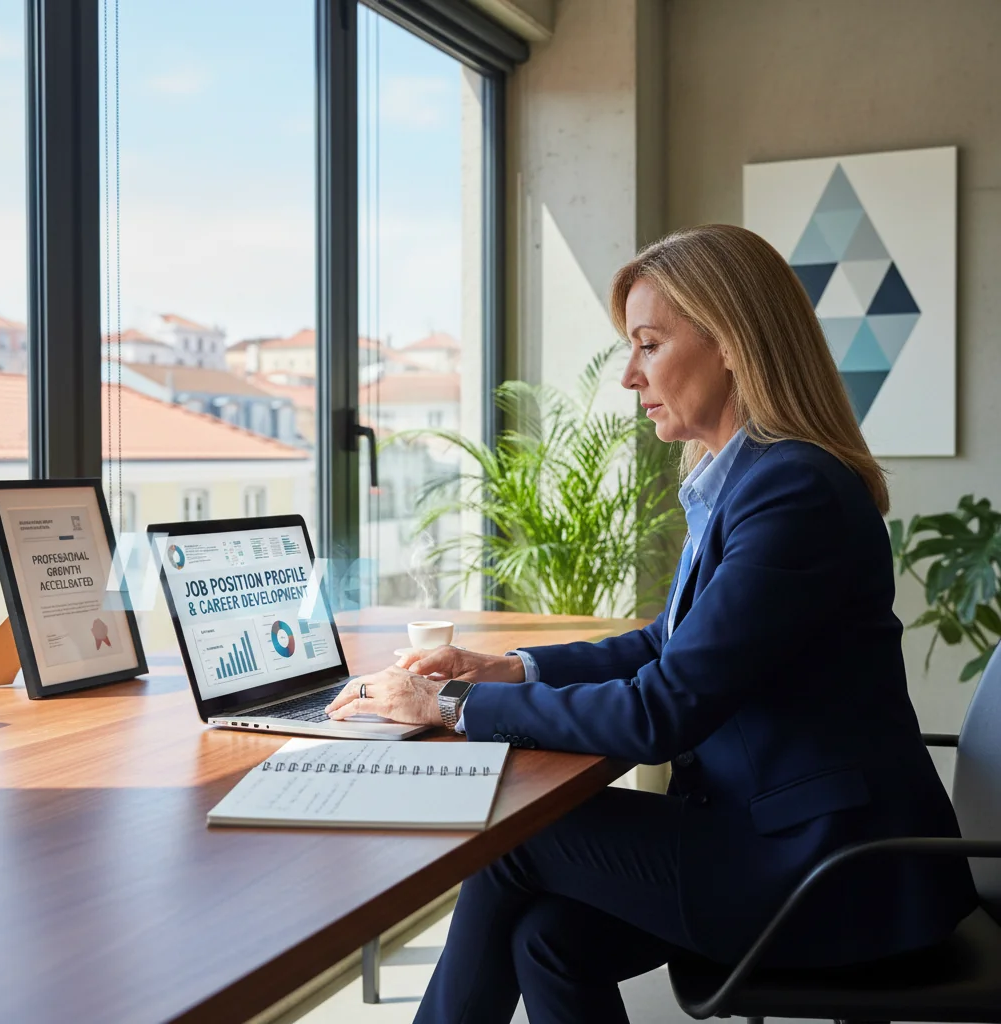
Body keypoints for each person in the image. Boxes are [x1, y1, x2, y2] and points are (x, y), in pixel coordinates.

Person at [327, 224, 977, 1024]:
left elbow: (661, 709)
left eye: (650, 344)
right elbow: (664, 647)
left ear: (732, 343)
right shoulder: (742, 480)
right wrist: (510, 671)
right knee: (547, 937)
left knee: (514, 838)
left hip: (832, 873)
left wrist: (452, 710)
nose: (630, 376)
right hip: (785, 836)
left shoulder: (794, 494)